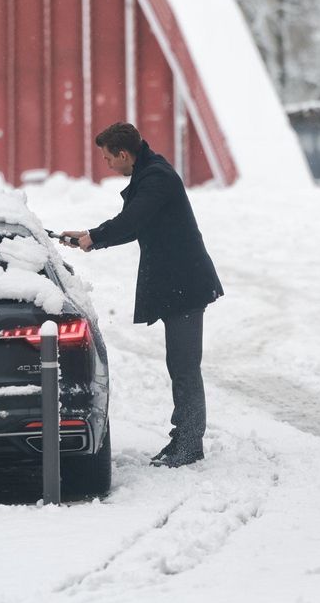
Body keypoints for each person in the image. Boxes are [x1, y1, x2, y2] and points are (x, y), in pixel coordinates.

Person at [64, 122, 223, 468]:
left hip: (185, 284)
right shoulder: (151, 174)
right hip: (178, 283)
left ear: (124, 154)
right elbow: (134, 224)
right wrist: (92, 237)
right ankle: (182, 437)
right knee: (178, 364)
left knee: (184, 367)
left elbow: (132, 220)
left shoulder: (156, 179)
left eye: (108, 159)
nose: (107, 165)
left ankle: (190, 444)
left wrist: (94, 236)